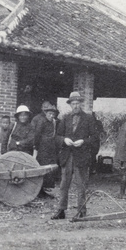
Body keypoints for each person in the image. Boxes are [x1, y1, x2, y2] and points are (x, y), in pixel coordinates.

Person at [52, 92, 98, 220]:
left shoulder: (88, 118)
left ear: (80, 104)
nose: (76, 105)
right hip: (67, 156)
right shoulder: (65, 118)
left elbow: (95, 138)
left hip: (81, 156)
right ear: (70, 105)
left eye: (78, 103)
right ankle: (61, 210)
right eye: (73, 103)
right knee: (63, 185)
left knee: (81, 184)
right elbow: (57, 137)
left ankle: (81, 211)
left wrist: (83, 141)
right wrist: (64, 140)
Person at [33, 101, 60, 196]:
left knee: (50, 169)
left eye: (53, 114)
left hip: (51, 149)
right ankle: (39, 190)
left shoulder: (54, 123)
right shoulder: (41, 121)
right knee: (42, 167)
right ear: (46, 113)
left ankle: (45, 189)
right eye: (49, 114)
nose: (51, 116)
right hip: (43, 149)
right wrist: (36, 146)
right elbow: (37, 135)